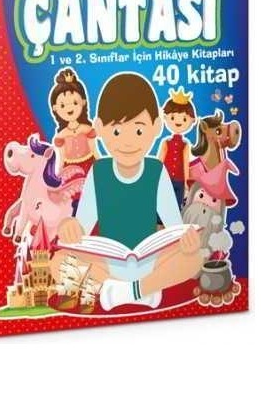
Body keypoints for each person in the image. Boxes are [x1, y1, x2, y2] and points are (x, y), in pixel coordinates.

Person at [51, 73, 202, 311]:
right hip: (108, 264)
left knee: (194, 258)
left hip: (152, 261)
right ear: (99, 128)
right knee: (58, 262)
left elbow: (174, 228)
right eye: (117, 132)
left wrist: (187, 241)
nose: (128, 142)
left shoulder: (156, 170)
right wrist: (69, 227)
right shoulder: (98, 172)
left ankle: (129, 291)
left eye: (139, 131)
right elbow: (82, 229)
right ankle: (139, 289)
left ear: (156, 127)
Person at [50, 69, 98, 215]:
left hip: (89, 166)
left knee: (94, 196)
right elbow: (61, 159)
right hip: (71, 171)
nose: (69, 108)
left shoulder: (87, 129)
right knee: (72, 200)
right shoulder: (61, 136)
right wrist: (57, 176)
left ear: (83, 102)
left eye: (75, 102)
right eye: (63, 105)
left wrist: (102, 166)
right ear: (55, 108)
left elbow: (95, 151)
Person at [158, 87, 197, 209]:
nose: (178, 122)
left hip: (179, 181)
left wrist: (186, 183)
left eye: (184, 119)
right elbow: (159, 161)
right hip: (165, 179)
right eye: (173, 117)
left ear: (192, 120)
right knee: (162, 204)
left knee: (176, 206)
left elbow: (186, 164)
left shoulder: (185, 145)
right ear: (166, 117)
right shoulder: (166, 142)